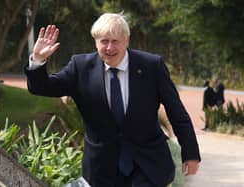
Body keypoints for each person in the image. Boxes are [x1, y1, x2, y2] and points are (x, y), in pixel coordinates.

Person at [24, 13, 201, 187]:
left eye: (115, 41)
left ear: (127, 40)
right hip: (102, 169)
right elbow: (42, 87)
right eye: (104, 41)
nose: (109, 48)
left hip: (147, 165)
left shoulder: (151, 66)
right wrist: (38, 60)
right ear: (95, 42)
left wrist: (190, 153)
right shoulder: (81, 67)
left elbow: (176, 111)